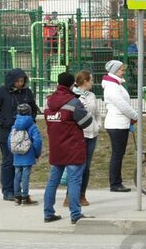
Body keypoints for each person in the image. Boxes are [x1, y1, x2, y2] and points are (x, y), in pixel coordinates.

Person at [42, 71, 89, 225]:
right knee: (74, 181)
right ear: (71, 84)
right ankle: (75, 214)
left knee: (53, 181)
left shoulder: (49, 101)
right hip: (73, 147)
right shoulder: (73, 102)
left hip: (56, 148)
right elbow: (86, 122)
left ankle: (48, 213)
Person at [0, 69, 39, 202]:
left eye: (22, 81)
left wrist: (31, 120)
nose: (20, 83)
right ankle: (8, 190)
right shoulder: (2, 92)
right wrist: (3, 122)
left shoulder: (27, 92)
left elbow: (33, 108)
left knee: (20, 164)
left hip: (24, 134)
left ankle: (19, 190)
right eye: (17, 81)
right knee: (8, 161)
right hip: (6, 133)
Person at [102, 59, 138, 192]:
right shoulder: (112, 87)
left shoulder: (116, 84)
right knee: (117, 154)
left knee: (119, 154)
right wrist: (135, 116)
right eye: (121, 69)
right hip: (116, 124)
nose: (123, 71)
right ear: (114, 71)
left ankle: (116, 181)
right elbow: (122, 105)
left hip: (120, 123)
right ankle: (115, 183)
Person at [74, 69, 100, 207]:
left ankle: (82, 195)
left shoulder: (91, 95)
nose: (92, 83)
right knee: (78, 166)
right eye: (91, 80)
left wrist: (98, 125)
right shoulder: (73, 95)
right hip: (80, 134)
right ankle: (71, 195)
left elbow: (96, 113)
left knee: (87, 166)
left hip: (92, 133)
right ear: (85, 81)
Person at [9, 103, 42, 206]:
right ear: (30, 112)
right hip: (28, 154)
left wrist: (13, 150)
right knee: (25, 176)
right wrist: (36, 154)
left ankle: (17, 197)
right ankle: (25, 197)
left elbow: (9, 140)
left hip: (17, 155)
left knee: (17, 175)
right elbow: (37, 141)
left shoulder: (14, 126)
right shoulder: (32, 126)